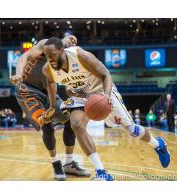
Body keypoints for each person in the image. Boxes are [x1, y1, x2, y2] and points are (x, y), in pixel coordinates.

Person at [42, 37, 170, 173]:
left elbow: (106, 75)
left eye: (53, 55)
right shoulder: (48, 69)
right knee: (77, 125)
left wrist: (106, 96)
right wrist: (51, 105)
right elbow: (51, 82)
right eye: (47, 56)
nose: (50, 59)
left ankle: (158, 144)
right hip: (82, 95)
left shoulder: (81, 56)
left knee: (132, 130)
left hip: (102, 91)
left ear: (62, 51)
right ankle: (101, 172)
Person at [10, 35, 90, 181]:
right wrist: (19, 73)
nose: (73, 41)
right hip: (27, 89)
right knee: (45, 123)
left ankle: (69, 163)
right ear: (63, 39)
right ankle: (56, 163)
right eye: (71, 38)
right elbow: (24, 57)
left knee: (70, 122)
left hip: (48, 92)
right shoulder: (45, 45)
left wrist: (55, 104)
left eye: (75, 41)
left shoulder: (68, 58)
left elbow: (54, 84)